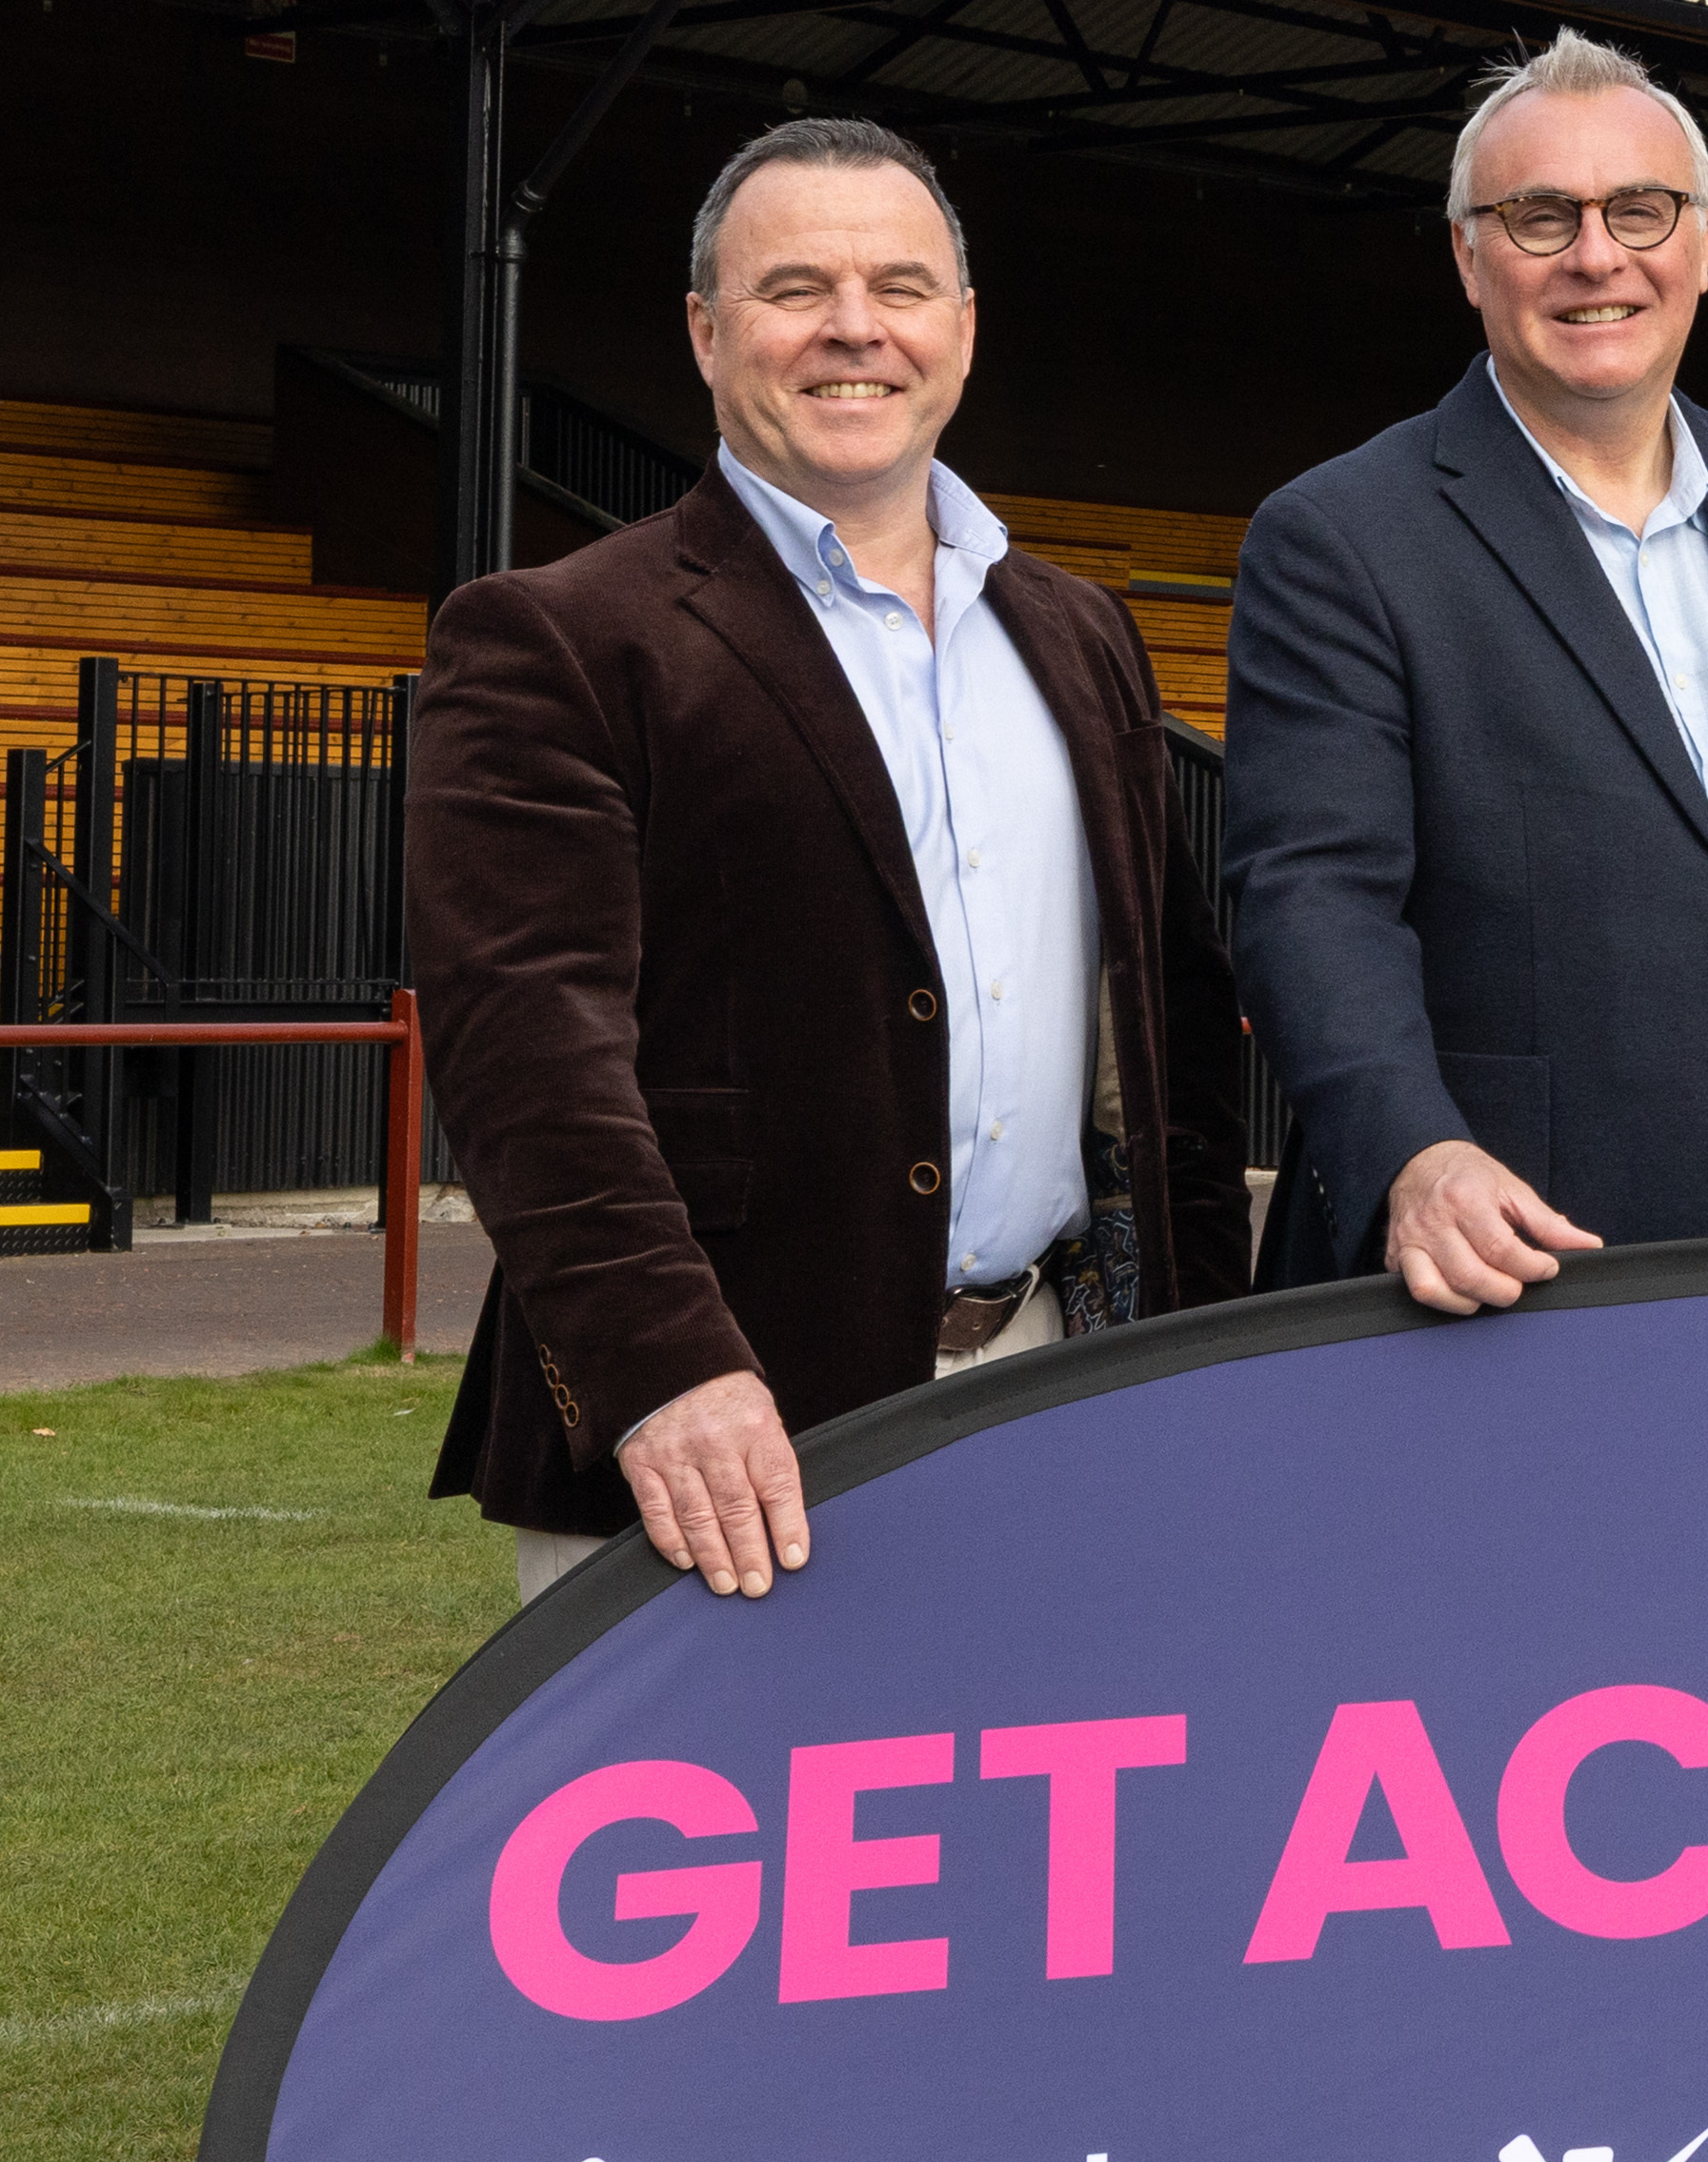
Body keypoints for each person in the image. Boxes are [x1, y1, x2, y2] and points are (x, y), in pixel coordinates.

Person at [411, 113, 1249, 1603]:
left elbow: (1167, 1034)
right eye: (796, 289)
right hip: (715, 1449)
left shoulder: (1079, 633)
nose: (854, 330)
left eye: (900, 288)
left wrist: (1198, 1354)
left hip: (1052, 1390)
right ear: (705, 329)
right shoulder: (558, 637)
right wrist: (666, 1378)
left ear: (965, 330)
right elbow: (526, 1057)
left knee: (1046, 1827)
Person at [1224, 31, 1708, 1308]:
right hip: (1510, 1278)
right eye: (1541, 217)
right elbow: (1313, 902)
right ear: (1470, 258)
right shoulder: (1343, 538)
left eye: (1639, 210)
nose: (1598, 255)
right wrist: (1419, 1157)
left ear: (1700, 245)